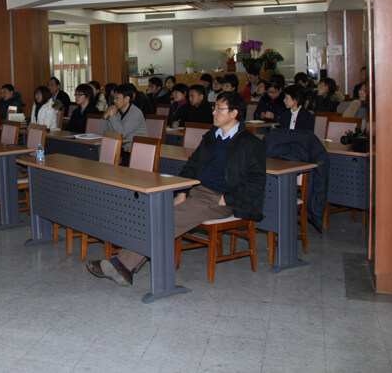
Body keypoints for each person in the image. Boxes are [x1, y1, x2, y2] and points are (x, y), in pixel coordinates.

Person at [85, 92, 266, 286]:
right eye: (214, 108)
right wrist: (183, 192)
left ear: (234, 113)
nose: (213, 112)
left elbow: (256, 182)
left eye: (219, 109)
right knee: (154, 212)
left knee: (167, 219)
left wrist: (227, 199)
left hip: (220, 199)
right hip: (197, 191)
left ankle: (123, 264)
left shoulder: (250, 143)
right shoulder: (212, 136)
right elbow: (191, 166)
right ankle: (126, 265)